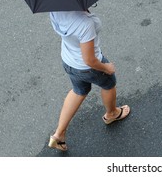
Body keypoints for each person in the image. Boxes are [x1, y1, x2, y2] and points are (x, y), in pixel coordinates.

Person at [47, 10, 130, 151]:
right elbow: (90, 60)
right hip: (88, 67)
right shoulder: (84, 23)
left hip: (69, 61)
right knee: (109, 85)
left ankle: (58, 135)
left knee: (78, 91)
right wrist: (106, 68)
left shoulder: (55, 10)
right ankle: (112, 114)